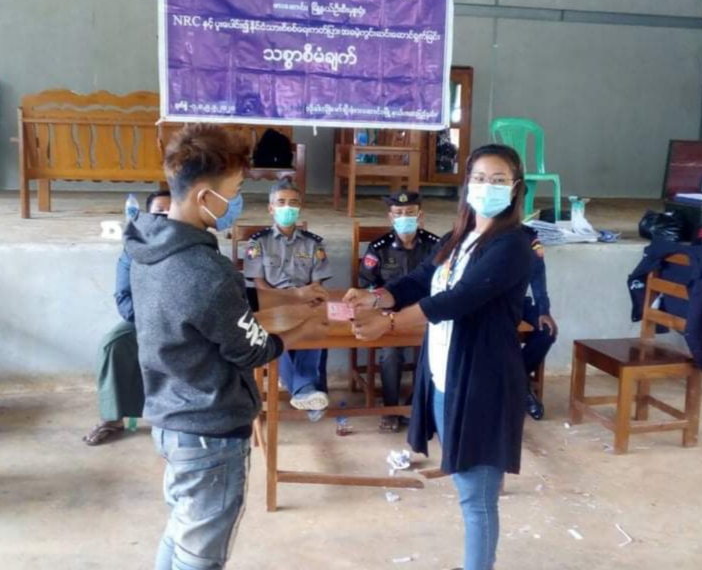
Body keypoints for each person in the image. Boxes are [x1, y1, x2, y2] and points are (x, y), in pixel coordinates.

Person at [124, 124, 328, 570]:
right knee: (201, 556)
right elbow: (253, 350)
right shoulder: (204, 270)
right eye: (234, 191)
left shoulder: (148, 245)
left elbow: (227, 299)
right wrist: (306, 328)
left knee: (182, 530)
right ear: (204, 196)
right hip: (210, 433)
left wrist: (292, 298)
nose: (236, 202)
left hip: (170, 416)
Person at [345, 144, 532, 570]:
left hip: (483, 382)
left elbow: (458, 299)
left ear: (515, 188)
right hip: (447, 376)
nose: (487, 187)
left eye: (498, 179)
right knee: (467, 483)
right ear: (467, 184)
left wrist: (390, 324)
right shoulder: (458, 238)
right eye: (479, 178)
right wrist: (377, 297)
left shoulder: (512, 246)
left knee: (477, 497)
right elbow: (420, 279)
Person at [82, 190, 171, 446]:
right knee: (114, 344)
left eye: (170, 211)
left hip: (183, 321)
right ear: (146, 216)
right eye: (158, 212)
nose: (164, 217)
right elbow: (124, 296)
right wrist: (149, 321)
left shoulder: (194, 244)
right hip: (143, 321)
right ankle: (112, 418)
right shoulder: (133, 248)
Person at [244, 178, 332, 421]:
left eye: (293, 203)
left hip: (306, 303)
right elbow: (259, 285)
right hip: (271, 304)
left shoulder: (313, 243)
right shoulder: (258, 242)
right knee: (276, 328)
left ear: (300, 207)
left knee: (316, 323)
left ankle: (305, 390)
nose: (287, 208)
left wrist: (307, 300)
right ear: (271, 208)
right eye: (281, 202)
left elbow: (317, 285)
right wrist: (287, 299)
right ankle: (307, 390)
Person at [358, 190, 440, 432]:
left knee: (433, 350)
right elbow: (367, 284)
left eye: (410, 212)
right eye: (399, 213)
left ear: (420, 216)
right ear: (391, 217)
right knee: (391, 353)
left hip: (424, 314)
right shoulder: (379, 248)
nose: (405, 217)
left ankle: (416, 405)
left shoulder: (435, 246)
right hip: (390, 314)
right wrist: (381, 308)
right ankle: (391, 408)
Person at [521, 225, 558, 420]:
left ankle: (518, 378)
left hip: (518, 302)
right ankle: (520, 384)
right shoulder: (483, 231)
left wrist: (544, 310)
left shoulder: (528, 236)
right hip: (491, 304)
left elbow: (537, 274)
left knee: (547, 331)